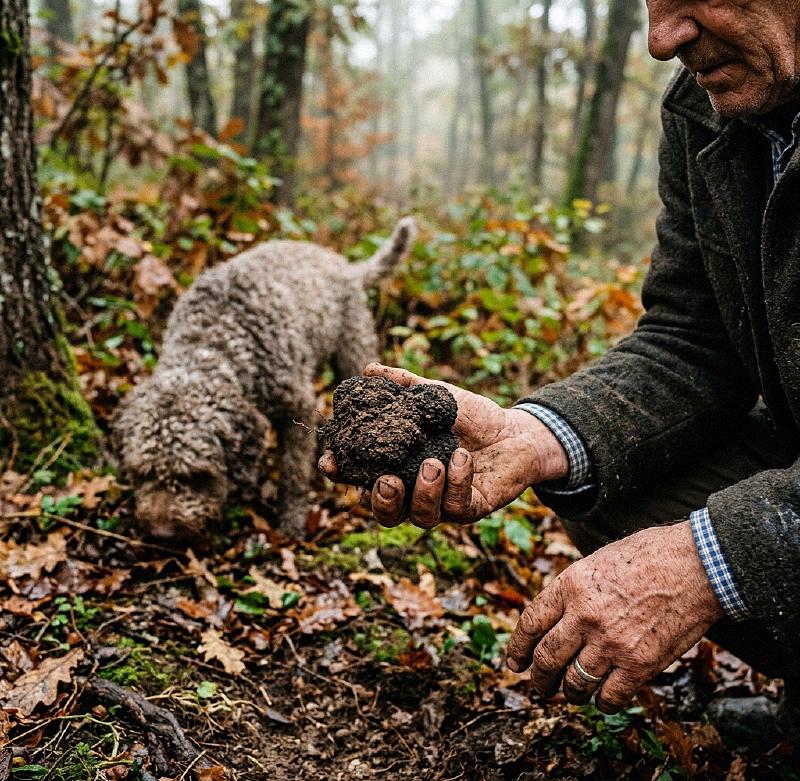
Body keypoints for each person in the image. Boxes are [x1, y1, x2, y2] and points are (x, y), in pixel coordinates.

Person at [320, 0, 800, 742]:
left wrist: (712, 558)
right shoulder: (711, 109)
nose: (659, 39)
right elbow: (691, 339)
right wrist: (537, 434)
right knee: (613, 476)